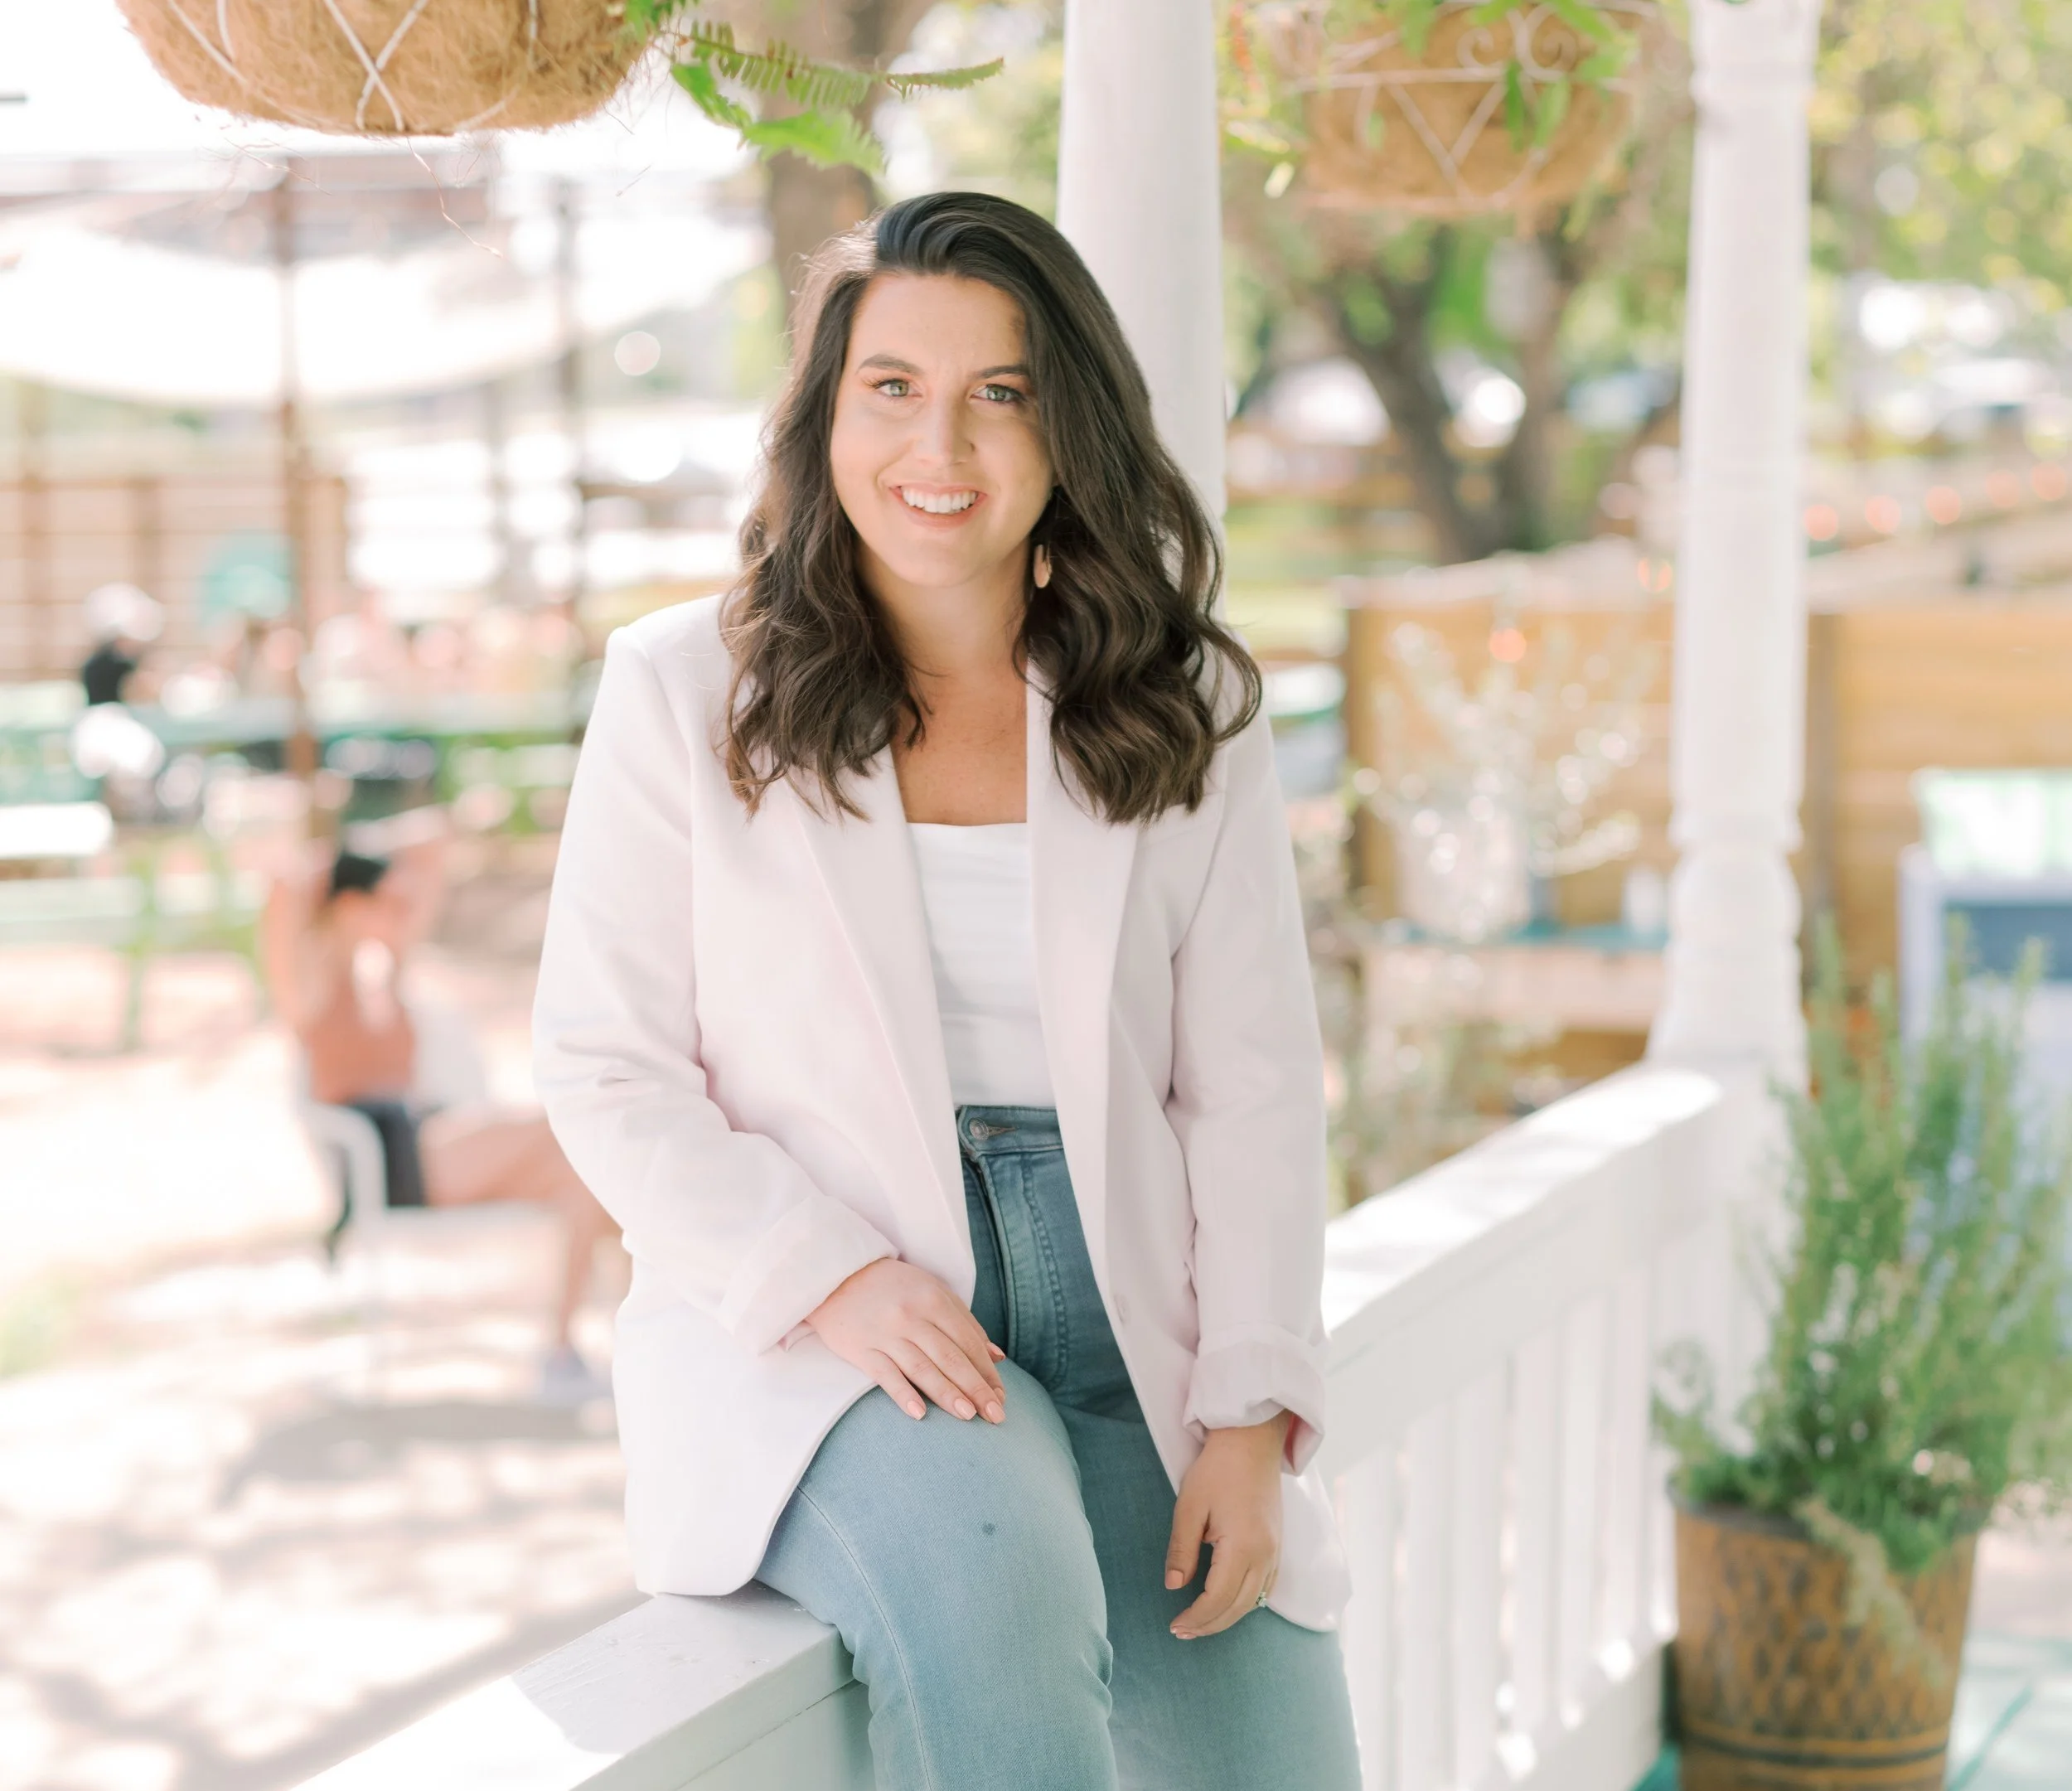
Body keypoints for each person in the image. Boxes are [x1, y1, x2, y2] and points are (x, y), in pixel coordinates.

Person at [532, 192, 1360, 1789]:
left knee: (1269, 1737)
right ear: (826, 417)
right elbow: (605, 1066)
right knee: (999, 1582)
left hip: (1138, 1318)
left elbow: (1250, 1085)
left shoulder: (1180, 707)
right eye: (893, 388)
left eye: (1002, 394)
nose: (945, 447)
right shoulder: (683, 689)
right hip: (836, 1321)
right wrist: (830, 1275)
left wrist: (1252, 1411)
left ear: (1071, 432)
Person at [263, 819, 618, 1401]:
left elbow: (434, 843)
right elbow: (282, 883)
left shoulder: (387, 970)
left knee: (585, 1179)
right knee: (571, 1130)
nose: (401, 908)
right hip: (385, 1153)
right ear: (350, 904)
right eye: (385, 899)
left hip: (429, 1137)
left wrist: (373, 856)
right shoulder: (311, 983)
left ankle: (563, 1354)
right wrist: (342, 859)